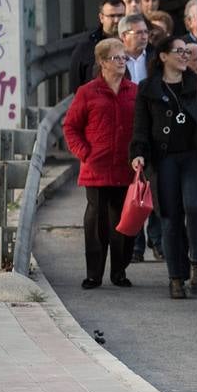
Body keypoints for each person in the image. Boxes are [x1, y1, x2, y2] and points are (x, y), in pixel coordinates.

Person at [129, 36, 197, 299]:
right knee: (170, 217)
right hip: (164, 160)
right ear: (163, 56)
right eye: (178, 51)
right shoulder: (147, 88)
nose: (184, 55)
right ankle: (176, 276)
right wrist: (138, 154)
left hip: (193, 157)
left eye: (186, 51)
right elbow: (140, 127)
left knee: (195, 207)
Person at [64, 39, 139, 290]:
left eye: (123, 58)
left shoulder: (134, 91)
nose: (121, 62)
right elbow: (71, 127)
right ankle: (94, 274)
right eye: (116, 58)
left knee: (124, 222)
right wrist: (85, 153)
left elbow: (142, 128)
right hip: (96, 168)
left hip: (126, 168)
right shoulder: (87, 92)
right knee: (96, 222)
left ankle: (119, 271)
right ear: (102, 61)